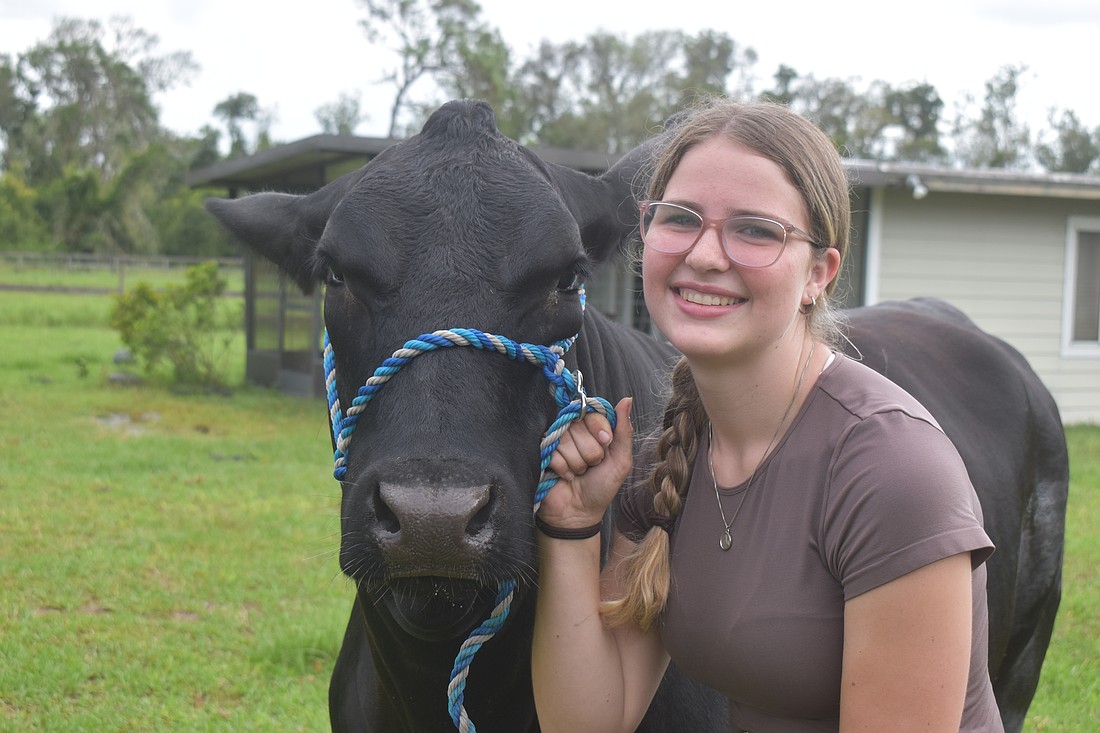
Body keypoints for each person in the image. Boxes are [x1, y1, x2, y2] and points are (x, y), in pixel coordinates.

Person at [531, 97, 1004, 732]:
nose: (704, 255)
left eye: (754, 229)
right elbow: (592, 720)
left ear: (819, 273)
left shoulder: (891, 472)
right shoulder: (668, 458)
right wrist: (571, 527)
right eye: (680, 219)